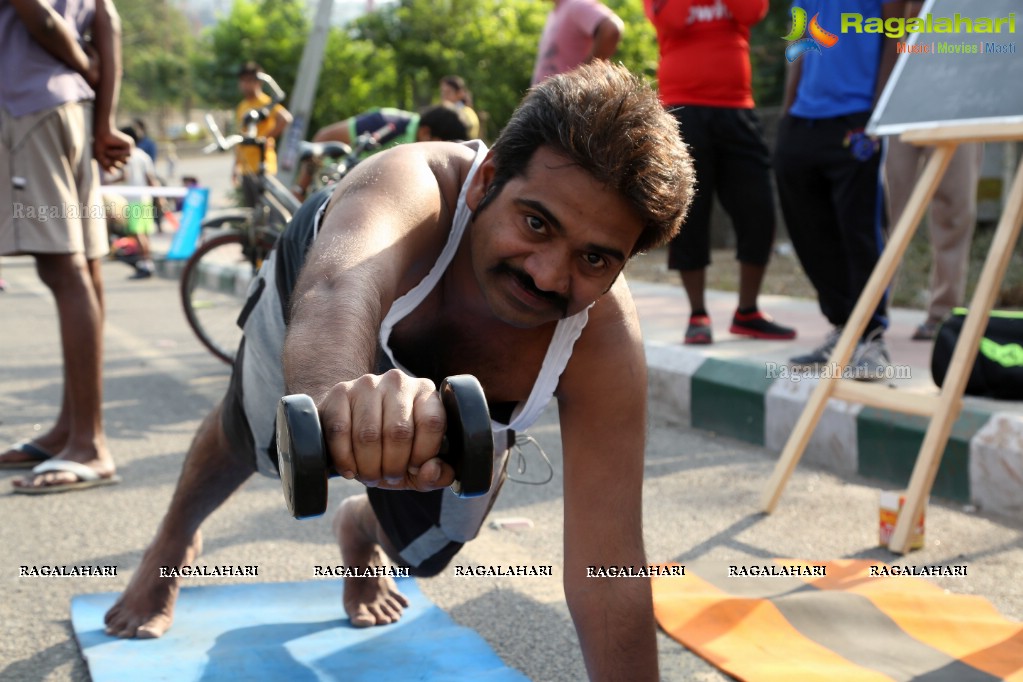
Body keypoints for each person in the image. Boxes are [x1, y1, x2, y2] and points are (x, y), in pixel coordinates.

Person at [103, 62, 695, 680]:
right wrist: (336, 400)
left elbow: (611, 571)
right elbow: (337, 291)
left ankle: (358, 529)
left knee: (428, 551)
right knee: (251, 436)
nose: (546, 274)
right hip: (326, 279)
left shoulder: (603, 337)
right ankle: (170, 546)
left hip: (447, 387)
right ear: (485, 180)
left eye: (595, 258)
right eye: (536, 223)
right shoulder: (412, 181)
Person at [0, 0, 132, 487]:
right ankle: (69, 431)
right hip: (69, 112)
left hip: (28, 106)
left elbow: (38, 16)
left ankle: (90, 444)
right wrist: (103, 120)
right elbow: (109, 22)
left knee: (63, 268)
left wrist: (81, 62)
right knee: (85, 267)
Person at [645, 0, 796, 345]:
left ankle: (748, 312)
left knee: (758, 209)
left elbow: (751, 13)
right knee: (689, 216)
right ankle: (697, 314)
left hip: (736, 108)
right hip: (682, 110)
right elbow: (674, 21)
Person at [774, 0, 900, 379]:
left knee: (860, 228)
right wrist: (786, 112)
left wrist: (877, 112)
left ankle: (872, 337)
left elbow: (895, 39)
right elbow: (799, 40)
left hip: (857, 115)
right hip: (804, 118)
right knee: (807, 227)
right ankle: (844, 325)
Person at [885, 0, 983, 342]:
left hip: (958, 99)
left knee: (955, 209)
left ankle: (943, 313)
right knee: (887, 207)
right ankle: (872, 310)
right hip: (901, 97)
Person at [292, 103, 470, 199]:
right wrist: (301, 189)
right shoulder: (386, 122)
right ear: (425, 132)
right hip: (327, 188)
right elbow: (324, 136)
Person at [103, 124, 160, 278]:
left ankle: (145, 266)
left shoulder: (125, 155)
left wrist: (107, 183)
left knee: (137, 234)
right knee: (144, 234)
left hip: (132, 199)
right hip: (146, 198)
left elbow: (124, 176)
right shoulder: (143, 155)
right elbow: (151, 178)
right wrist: (159, 197)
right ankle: (147, 264)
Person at [234, 61, 292, 208]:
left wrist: (265, 138)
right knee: (252, 213)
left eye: (248, 81)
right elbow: (241, 136)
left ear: (257, 82)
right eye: (242, 81)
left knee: (268, 212)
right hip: (247, 168)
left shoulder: (266, 102)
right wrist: (236, 166)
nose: (244, 85)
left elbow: (285, 118)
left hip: (264, 165)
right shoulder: (242, 106)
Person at [532, 0, 624, 85]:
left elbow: (610, 29)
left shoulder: (576, 4)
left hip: (567, 99)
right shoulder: (555, 12)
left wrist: (582, 76)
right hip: (548, 99)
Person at [439, 74, 480, 139]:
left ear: (460, 93)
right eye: (442, 92)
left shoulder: (467, 113)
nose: (444, 96)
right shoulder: (446, 114)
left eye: (448, 92)